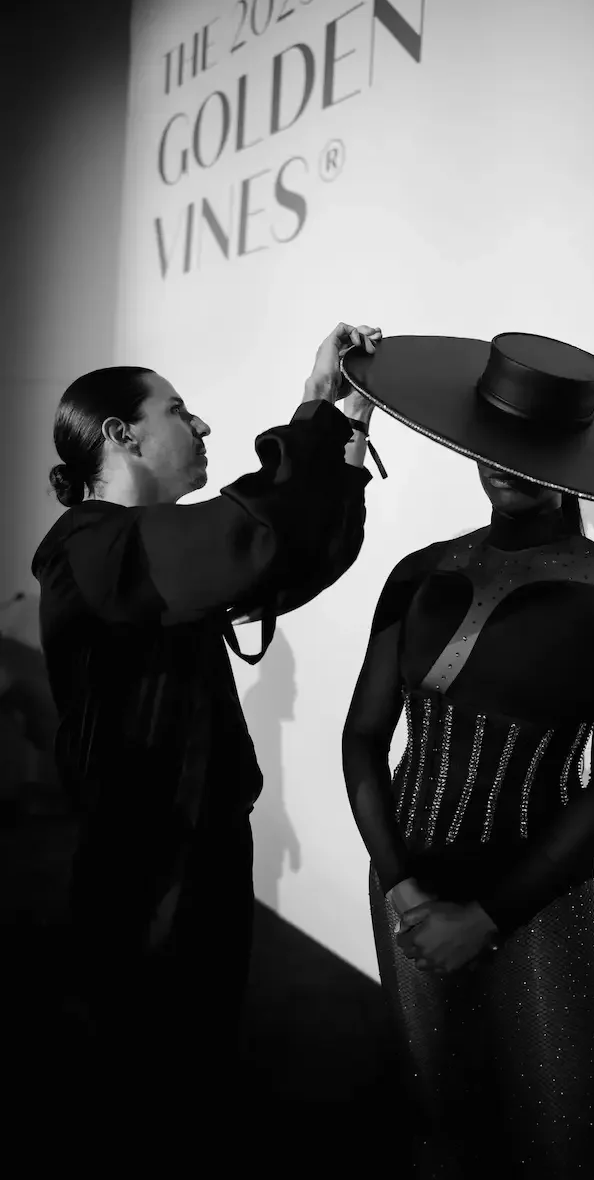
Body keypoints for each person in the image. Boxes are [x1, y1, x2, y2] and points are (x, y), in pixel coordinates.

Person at [341, 332, 594, 1177]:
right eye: (495, 446)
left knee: (559, 1133)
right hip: (405, 878)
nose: (506, 466)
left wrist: (485, 918)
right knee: (438, 1105)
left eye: (534, 451)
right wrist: (403, 886)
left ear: (577, 455)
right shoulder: (416, 572)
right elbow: (364, 735)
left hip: (535, 900)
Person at [31, 322, 381, 1119]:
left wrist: (351, 423)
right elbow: (251, 536)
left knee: (197, 1054)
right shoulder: (91, 545)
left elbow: (305, 552)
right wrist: (313, 405)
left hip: (202, 851)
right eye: (179, 410)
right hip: (147, 870)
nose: (203, 426)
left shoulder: (155, 553)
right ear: (122, 436)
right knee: (151, 1071)